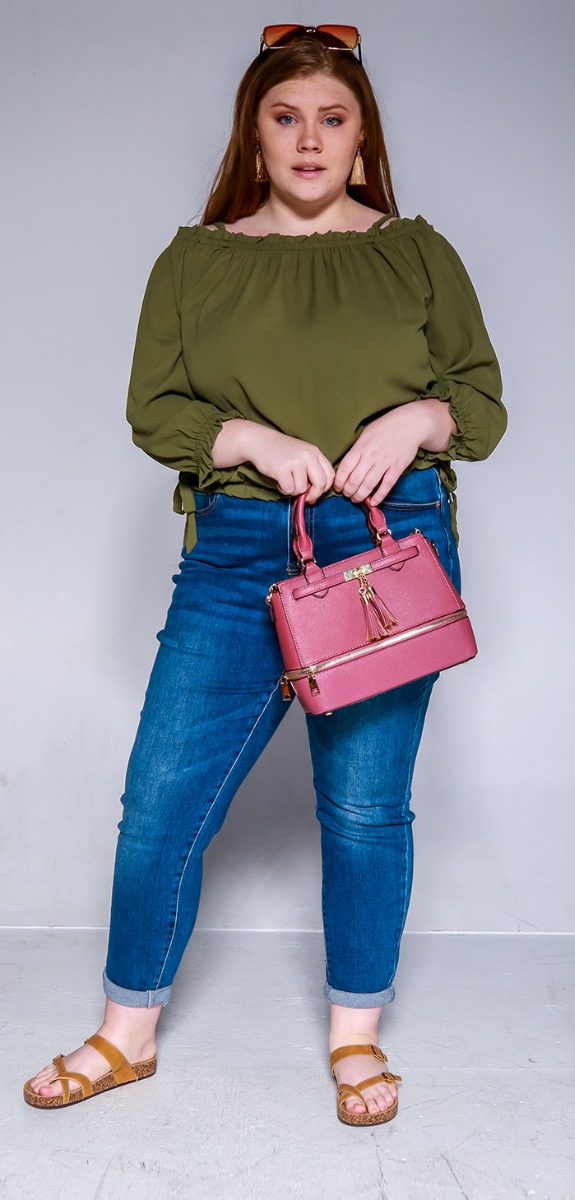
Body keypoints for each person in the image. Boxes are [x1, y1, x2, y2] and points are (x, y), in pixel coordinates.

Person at [23, 23, 506, 1126]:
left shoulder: (417, 252)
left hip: (386, 548)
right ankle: (126, 1031)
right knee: (161, 801)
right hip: (240, 549)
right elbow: (158, 409)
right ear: (253, 129)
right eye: (285, 117)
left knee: (364, 806)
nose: (307, 139)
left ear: (362, 136)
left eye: (331, 119)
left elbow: (478, 397)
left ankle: (353, 1039)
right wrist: (244, 438)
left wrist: (418, 414)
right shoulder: (196, 260)